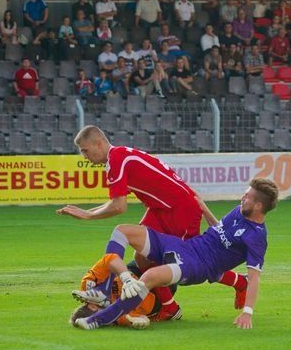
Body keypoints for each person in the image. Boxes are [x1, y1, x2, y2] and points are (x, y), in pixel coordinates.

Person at [59, 126, 250, 320]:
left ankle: (241, 283)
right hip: (161, 210)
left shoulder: (117, 159)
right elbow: (117, 201)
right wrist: (87, 212)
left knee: (194, 263)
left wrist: (88, 215)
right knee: (142, 257)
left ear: (99, 143)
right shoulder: (118, 156)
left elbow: (119, 206)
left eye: (85, 150)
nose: (84, 156)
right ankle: (169, 307)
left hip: (180, 210)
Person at [71, 177, 279, 330]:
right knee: (122, 231)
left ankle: (98, 319)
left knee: (149, 277)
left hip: (197, 266)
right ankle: (104, 290)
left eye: (247, 197)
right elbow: (220, 230)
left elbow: (254, 278)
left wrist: (247, 312)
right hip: (186, 247)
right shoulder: (239, 211)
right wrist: (203, 208)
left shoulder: (257, 237)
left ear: (258, 205)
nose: (242, 197)